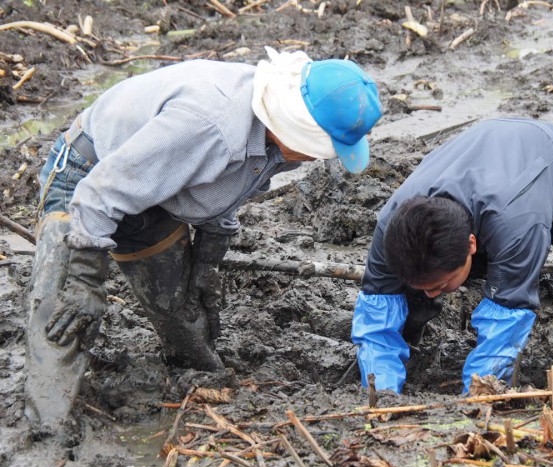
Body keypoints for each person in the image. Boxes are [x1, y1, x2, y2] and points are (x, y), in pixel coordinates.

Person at [25, 47, 383, 436]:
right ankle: (46, 433)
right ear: (298, 124)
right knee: (63, 318)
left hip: (156, 194)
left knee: (181, 312)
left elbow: (225, 188)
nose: (319, 158)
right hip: (87, 178)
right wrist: (84, 281)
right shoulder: (208, 125)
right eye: (325, 147)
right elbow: (98, 195)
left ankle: (193, 387)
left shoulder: (279, 138)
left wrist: (207, 261)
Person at [351, 118, 553, 393]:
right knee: (404, 298)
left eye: (441, 284)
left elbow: (505, 322)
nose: (431, 292)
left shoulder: (516, 227)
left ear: (472, 245)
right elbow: (377, 316)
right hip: (495, 175)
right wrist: (379, 395)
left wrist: (478, 394)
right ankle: (404, 373)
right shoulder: (391, 226)